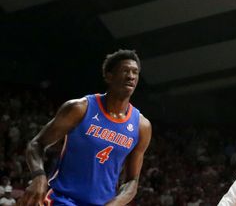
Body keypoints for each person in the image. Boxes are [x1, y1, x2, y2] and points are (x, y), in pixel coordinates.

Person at [19, 49, 152, 206]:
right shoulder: (80, 108)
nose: (131, 76)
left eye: (135, 72)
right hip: (64, 200)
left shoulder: (142, 126)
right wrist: (39, 176)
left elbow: (132, 182)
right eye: (125, 71)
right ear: (109, 77)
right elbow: (36, 144)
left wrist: (114, 204)